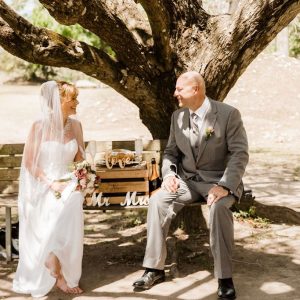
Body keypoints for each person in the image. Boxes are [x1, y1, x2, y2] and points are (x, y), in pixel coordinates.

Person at [133, 71, 249, 299]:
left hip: (219, 181)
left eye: (179, 89)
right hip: (187, 182)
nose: (174, 93)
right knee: (158, 200)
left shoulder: (228, 114)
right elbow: (170, 153)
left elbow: (239, 154)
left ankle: (224, 278)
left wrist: (225, 185)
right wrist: (169, 175)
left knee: (217, 207)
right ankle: (154, 269)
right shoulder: (177, 116)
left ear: (195, 89)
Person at [13, 81, 85, 297]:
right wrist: (51, 183)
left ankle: (53, 255)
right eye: (72, 98)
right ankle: (54, 267)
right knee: (54, 203)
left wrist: (82, 176)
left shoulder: (76, 126)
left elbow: (80, 159)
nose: (76, 102)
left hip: (68, 180)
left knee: (72, 200)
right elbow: (30, 163)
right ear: (58, 101)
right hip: (43, 183)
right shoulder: (39, 126)